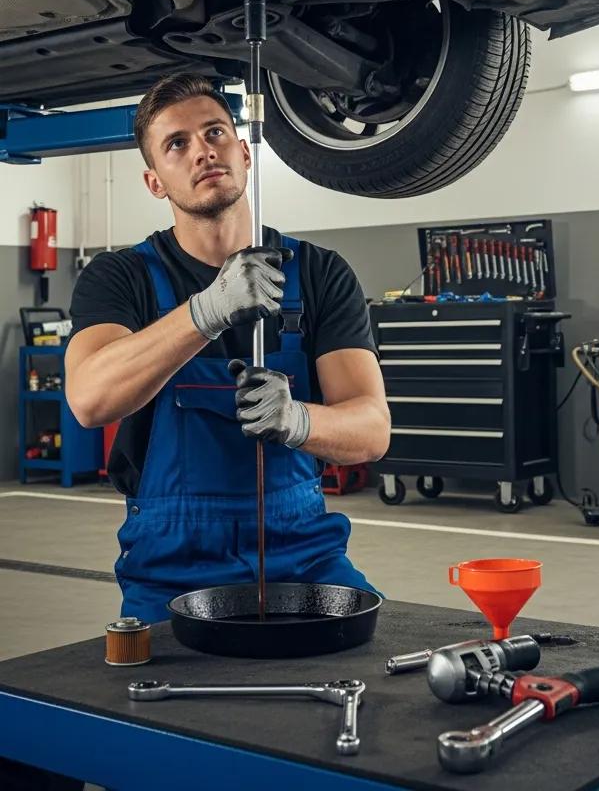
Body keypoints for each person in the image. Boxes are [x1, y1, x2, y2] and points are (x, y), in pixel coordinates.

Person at [66, 72, 389, 622]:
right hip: (171, 570)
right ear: (154, 182)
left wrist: (299, 421)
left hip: (305, 560)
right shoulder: (121, 277)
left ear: (244, 152)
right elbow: (90, 400)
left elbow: (371, 430)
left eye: (215, 133)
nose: (202, 152)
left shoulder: (317, 272)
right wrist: (206, 310)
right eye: (177, 144)